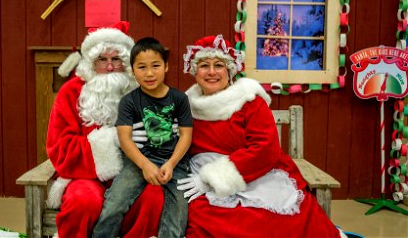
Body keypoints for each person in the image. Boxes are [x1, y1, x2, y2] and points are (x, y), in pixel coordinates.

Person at [176, 34, 345, 238]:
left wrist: (214, 178)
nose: (212, 72)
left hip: (256, 172)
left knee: (274, 219)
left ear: (229, 70)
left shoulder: (249, 100)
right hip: (200, 179)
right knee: (204, 216)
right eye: (204, 65)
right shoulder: (185, 104)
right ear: (195, 71)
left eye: (219, 65)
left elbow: (265, 149)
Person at [45, 22, 164, 238]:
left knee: (153, 198)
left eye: (116, 59)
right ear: (91, 63)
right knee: (83, 201)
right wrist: (112, 140)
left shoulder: (141, 90)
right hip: (84, 176)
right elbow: (60, 148)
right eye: (102, 60)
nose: (109, 67)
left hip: (136, 172)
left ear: (126, 62)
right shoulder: (71, 92)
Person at [92, 37, 193, 238]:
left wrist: (172, 163)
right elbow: (125, 139)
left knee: (179, 210)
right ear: (132, 70)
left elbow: (185, 135)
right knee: (115, 201)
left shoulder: (180, 99)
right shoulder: (129, 102)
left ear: (166, 66)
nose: (149, 73)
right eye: (141, 67)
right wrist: (145, 165)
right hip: (138, 161)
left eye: (155, 65)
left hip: (175, 164)